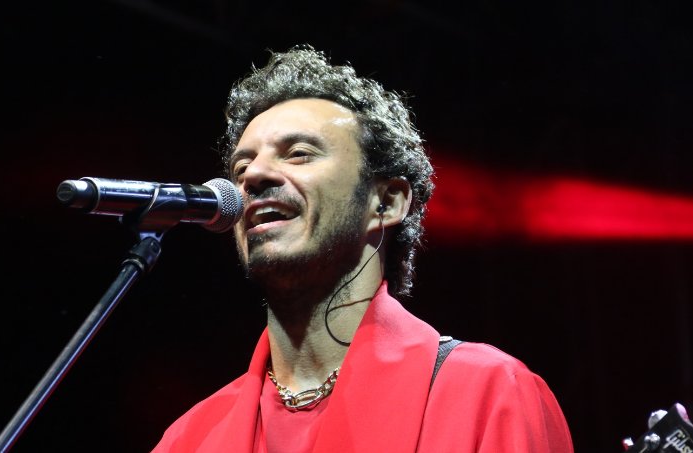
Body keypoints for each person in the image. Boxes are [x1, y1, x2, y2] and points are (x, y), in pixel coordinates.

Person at [152, 45, 574, 452]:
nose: (254, 176)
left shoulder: (487, 395)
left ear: (386, 203)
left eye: (298, 154)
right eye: (241, 166)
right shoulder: (187, 440)